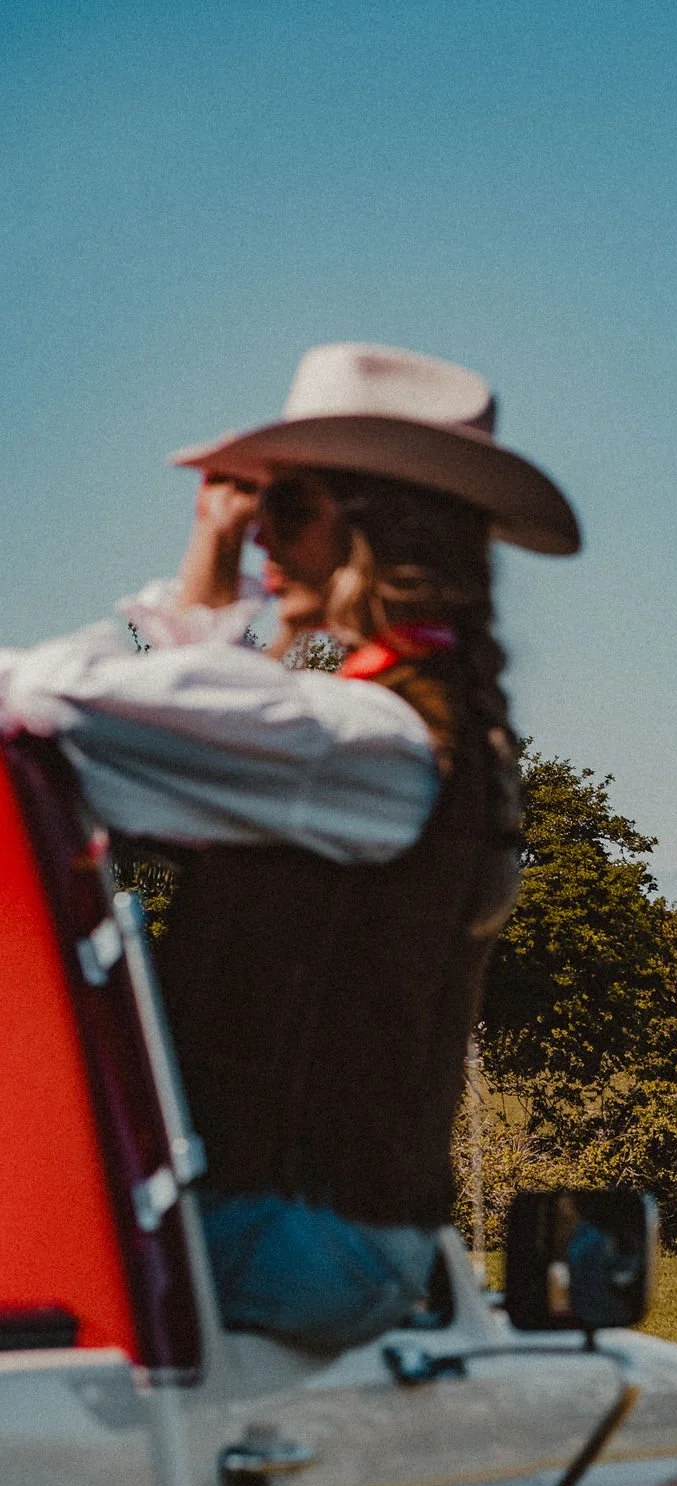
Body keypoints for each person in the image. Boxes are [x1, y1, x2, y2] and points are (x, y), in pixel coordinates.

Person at [0, 343, 580, 1350]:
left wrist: (209, 588)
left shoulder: (358, 744)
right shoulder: (422, 726)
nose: (260, 530)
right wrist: (213, 558)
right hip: (334, 1230)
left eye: (289, 508)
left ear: (375, 532)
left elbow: (52, 702)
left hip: (292, 1228)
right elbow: (195, 717)